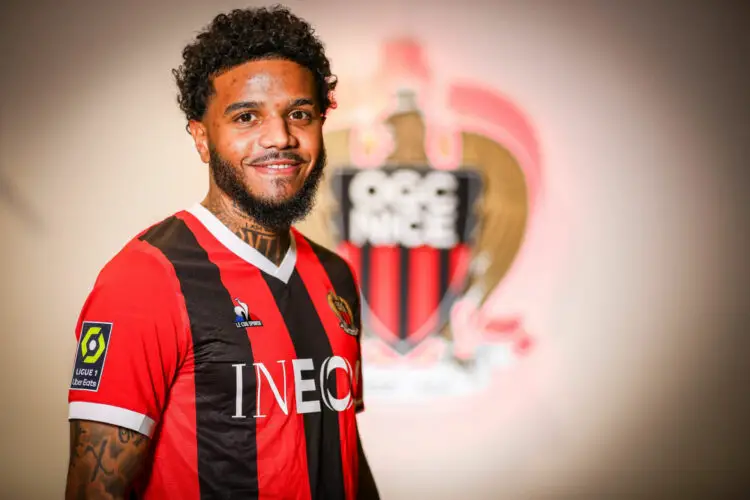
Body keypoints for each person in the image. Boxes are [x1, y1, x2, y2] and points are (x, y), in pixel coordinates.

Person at [65, 6, 379, 499]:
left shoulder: (335, 275)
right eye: (246, 116)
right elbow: (93, 490)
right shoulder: (146, 279)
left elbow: (343, 450)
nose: (279, 137)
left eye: (299, 114)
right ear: (202, 137)